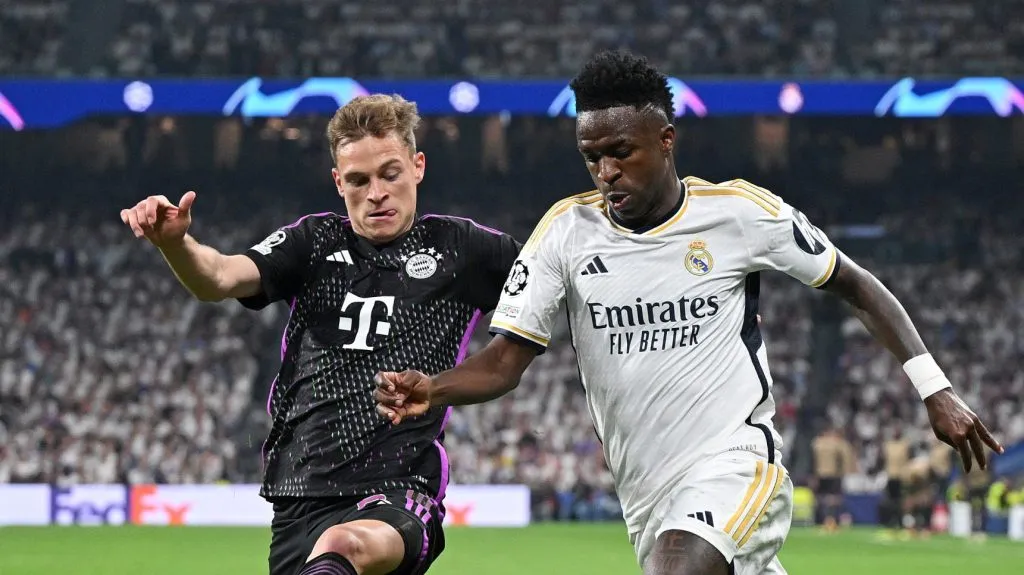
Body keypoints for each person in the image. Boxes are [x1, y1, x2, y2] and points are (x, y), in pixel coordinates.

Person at [374, 51, 1004, 575]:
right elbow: (506, 361)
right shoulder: (565, 234)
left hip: (737, 463)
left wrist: (934, 388)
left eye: (622, 151)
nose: (606, 172)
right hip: (646, 492)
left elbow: (858, 285)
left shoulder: (739, 214)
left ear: (666, 139)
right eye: (592, 157)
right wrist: (434, 388)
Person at [119, 94, 520, 575]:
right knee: (329, 550)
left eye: (389, 173)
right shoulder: (313, 243)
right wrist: (177, 244)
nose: (376, 192)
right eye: (358, 180)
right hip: (300, 497)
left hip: (399, 489)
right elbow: (220, 277)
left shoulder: (463, 249)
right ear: (338, 183)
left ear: (418, 166)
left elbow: (553, 286)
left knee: (344, 545)